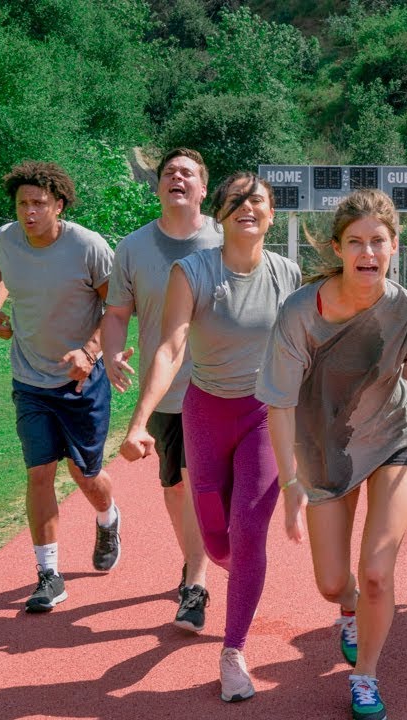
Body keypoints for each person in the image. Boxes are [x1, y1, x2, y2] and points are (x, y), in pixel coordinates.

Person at [258, 190, 407, 720]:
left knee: (376, 575)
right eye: (356, 241)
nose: (368, 252)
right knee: (333, 583)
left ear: (394, 246)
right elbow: (280, 405)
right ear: (339, 249)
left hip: (395, 439)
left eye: (378, 241)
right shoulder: (300, 311)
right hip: (325, 450)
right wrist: (292, 486)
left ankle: (365, 675)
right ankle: (347, 611)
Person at [118, 172, 300, 701]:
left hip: (263, 416)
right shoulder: (192, 271)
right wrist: (137, 423)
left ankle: (233, 651)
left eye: (258, 201)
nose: (248, 208)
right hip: (204, 414)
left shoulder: (287, 274)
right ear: (219, 215)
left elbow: (304, 349)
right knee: (217, 538)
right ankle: (226, 564)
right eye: (236, 201)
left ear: (271, 215)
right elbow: (170, 348)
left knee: (248, 532)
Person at [0, 161, 121, 614]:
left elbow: (116, 308)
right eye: (23, 203)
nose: (29, 212)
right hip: (29, 379)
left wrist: (90, 351)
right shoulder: (7, 238)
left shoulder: (88, 247)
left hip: (80, 380)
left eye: (39, 204)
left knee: (85, 475)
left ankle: (108, 517)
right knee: (39, 471)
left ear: (58, 205)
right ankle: (48, 575)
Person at [100, 148, 221, 631]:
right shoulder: (132, 247)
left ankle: (196, 580)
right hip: (164, 392)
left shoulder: (223, 238)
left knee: (201, 486)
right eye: (169, 172)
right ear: (158, 187)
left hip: (222, 389)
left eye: (188, 172)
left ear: (203, 189)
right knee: (175, 489)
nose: (177, 177)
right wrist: (111, 352)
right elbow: (115, 314)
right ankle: (195, 560)